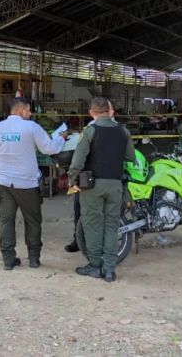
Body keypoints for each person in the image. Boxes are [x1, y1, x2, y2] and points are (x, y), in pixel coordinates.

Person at [0, 98, 67, 270]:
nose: (30, 113)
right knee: (32, 221)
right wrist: (61, 139)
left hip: (3, 183)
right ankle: (33, 258)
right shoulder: (31, 127)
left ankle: (8, 260)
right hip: (27, 183)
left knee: (6, 221)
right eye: (29, 110)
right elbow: (50, 148)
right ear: (21, 110)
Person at [68, 97, 136, 283]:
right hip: (115, 186)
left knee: (93, 224)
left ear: (92, 113)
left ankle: (95, 266)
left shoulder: (90, 131)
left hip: (92, 186)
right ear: (110, 111)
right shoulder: (124, 132)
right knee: (112, 225)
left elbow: (77, 161)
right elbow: (130, 157)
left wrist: (72, 180)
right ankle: (110, 270)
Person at [65, 99, 115, 253]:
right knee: (82, 210)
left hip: (93, 179)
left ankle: (92, 248)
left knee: (94, 212)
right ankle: (79, 239)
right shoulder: (116, 129)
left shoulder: (99, 129)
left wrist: (72, 179)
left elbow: (79, 157)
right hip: (99, 178)